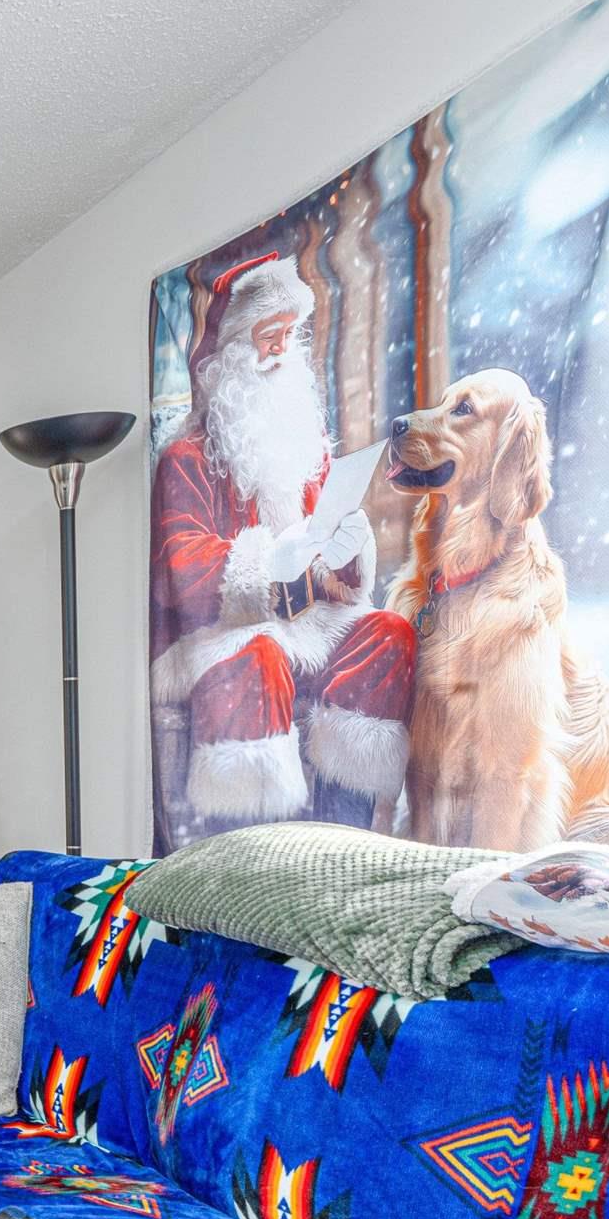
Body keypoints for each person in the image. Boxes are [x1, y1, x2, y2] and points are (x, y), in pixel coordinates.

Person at [150, 253, 413, 830]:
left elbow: (325, 529)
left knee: (388, 632)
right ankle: (255, 840)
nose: (281, 350)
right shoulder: (185, 460)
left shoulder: (303, 445)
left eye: (290, 335)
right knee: (261, 654)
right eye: (268, 335)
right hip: (218, 634)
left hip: (310, 624)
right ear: (230, 349)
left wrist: (346, 552)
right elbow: (179, 569)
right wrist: (267, 562)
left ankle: (345, 834)